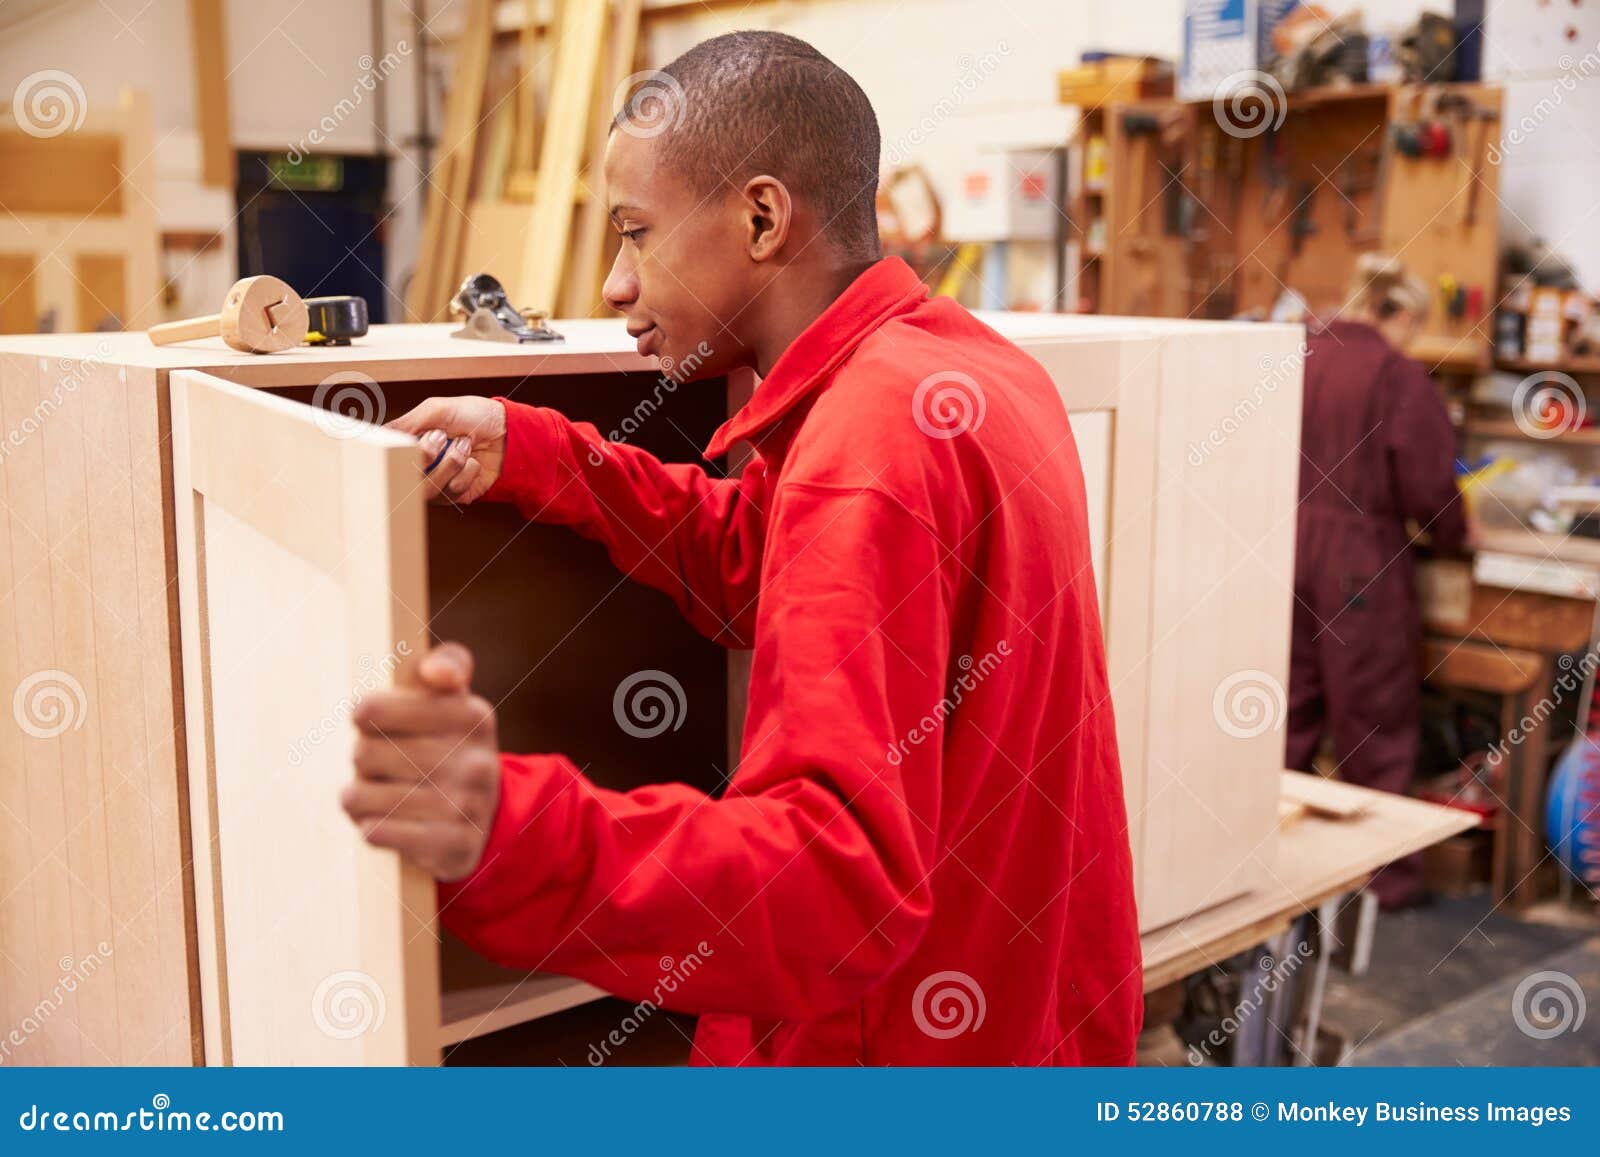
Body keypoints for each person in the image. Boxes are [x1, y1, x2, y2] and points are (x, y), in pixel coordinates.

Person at [340, 31, 1140, 1064]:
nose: (617, 285)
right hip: (1020, 1019)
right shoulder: (959, 370)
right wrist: (542, 454)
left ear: (760, 216)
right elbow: (772, 569)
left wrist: (511, 834)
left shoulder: (869, 444)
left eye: (636, 234)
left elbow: (836, 884)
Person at [1286, 253, 1468, 908]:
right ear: (1399, 313)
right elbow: (1429, 485)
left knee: (1288, 716)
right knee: (1374, 719)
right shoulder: (1394, 373)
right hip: (1359, 560)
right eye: (1415, 328)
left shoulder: (1300, 352)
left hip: (1285, 550)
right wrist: (1454, 539)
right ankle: (1383, 882)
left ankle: (1281, 869)